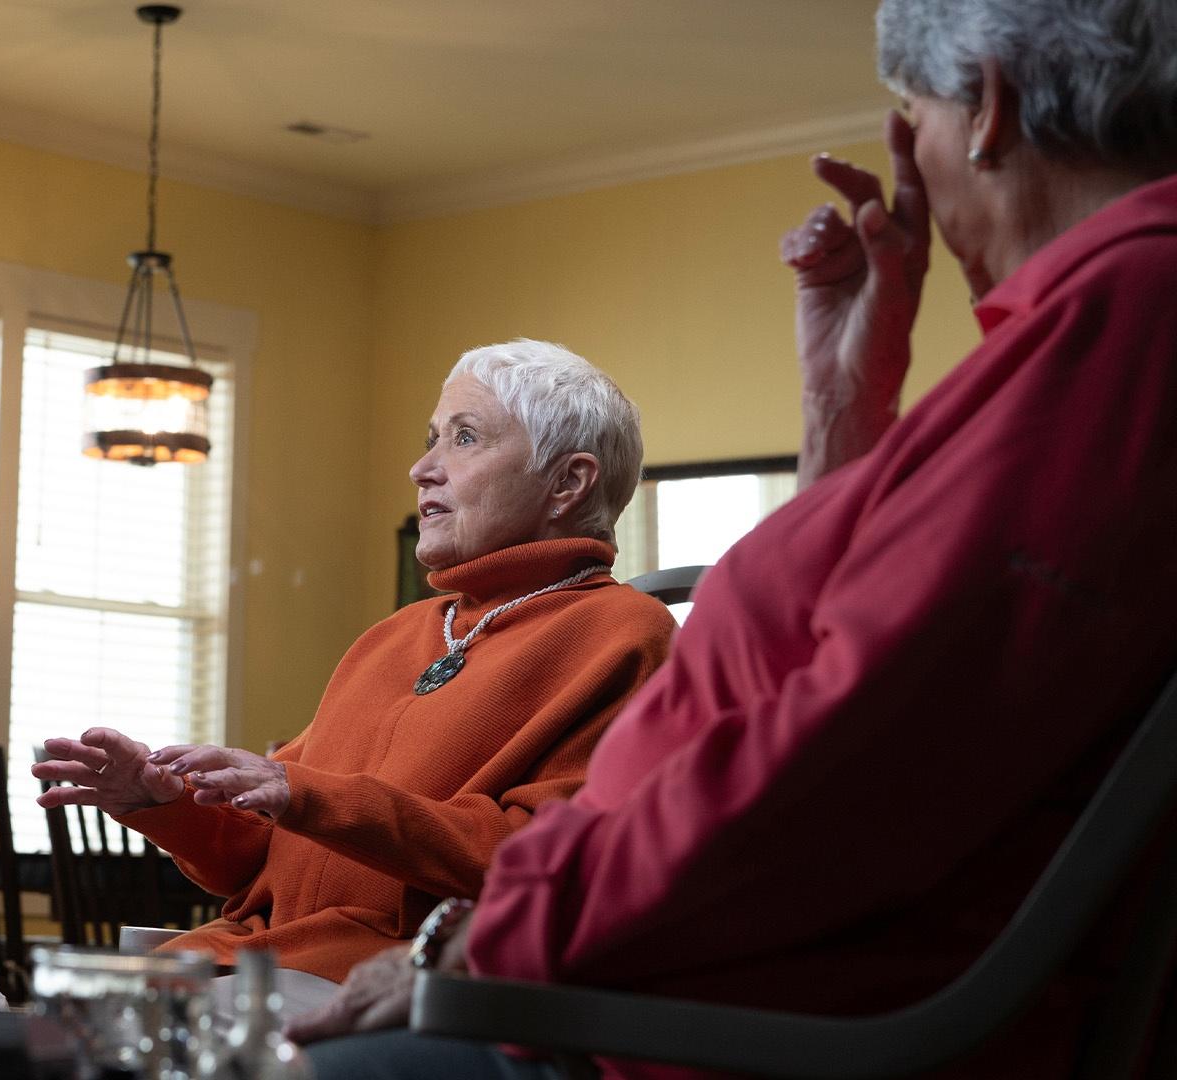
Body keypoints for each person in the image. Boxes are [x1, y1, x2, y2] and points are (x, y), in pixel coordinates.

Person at [290, 0, 1177, 1076]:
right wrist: (842, 405)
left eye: (913, 118)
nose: (917, 171)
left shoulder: (1124, 324)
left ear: (986, 107)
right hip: (661, 989)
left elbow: (843, 770)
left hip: (699, 1030)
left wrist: (483, 941)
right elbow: (866, 647)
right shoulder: (1084, 335)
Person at [34, 340, 676, 1016]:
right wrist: (162, 805)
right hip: (243, 961)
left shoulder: (626, 635)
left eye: (464, 438)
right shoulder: (392, 637)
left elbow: (548, 866)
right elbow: (256, 862)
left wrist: (309, 795)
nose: (423, 468)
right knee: (13, 1037)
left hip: (386, 985)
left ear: (567, 483)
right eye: (432, 439)